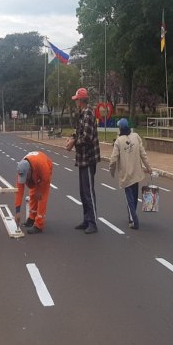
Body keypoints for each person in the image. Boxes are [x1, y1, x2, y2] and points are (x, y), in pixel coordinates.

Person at [65, 87, 100, 234]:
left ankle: (92, 222)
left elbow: (86, 137)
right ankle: (86, 219)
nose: (75, 103)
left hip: (88, 158)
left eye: (76, 100)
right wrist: (72, 137)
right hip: (82, 159)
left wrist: (74, 143)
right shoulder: (83, 114)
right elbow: (79, 132)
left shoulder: (88, 114)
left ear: (80, 101)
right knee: (82, 191)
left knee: (88, 192)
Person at [109, 118, 152, 230]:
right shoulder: (136, 136)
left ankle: (133, 220)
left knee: (129, 199)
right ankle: (132, 217)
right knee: (134, 196)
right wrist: (148, 167)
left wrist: (112, 171)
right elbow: (143, 153)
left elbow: (113, 159)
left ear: (120, 128)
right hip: (137, 174)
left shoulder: (118, 141)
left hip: (127, 175)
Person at [14, 151, 53, 234]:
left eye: (26, 177)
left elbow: (45, 178)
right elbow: (19, 191)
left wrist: (39, 190)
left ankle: (39, 225)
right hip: (35, 172)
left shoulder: (41, 165)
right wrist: (17, 211)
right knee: (32, 194)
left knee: (41, 197)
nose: (25, 180)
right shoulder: (21, 169)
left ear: (29, 170)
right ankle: (32, 218)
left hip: (45, 169)